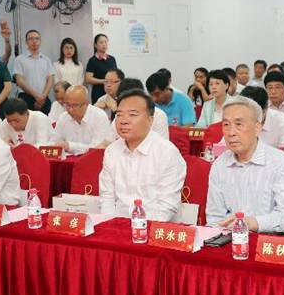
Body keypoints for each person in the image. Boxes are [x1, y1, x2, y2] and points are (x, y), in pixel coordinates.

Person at [205, 96, 284, 235]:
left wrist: (251, 223)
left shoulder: (280, 162)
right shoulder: (220, 164)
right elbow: (214, 218)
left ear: (257, 128)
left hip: (267, 242)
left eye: (239, 124)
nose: (231, 132)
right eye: (226, 125)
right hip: (230, 240)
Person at [99, 89, 186, 221]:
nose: (123, 121)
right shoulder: (112, 151)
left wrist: (138, 228)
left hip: (156, 228)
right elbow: (107, 197)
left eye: (132, 114)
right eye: (119, 114)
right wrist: (109, 225)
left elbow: (166, 207)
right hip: (118, 226)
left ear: (150, 120)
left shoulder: (167, 152)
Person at [53, 85, 113, 155]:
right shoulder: (63, 117)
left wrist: (70, 146)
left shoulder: (99, 116)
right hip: (68, 159)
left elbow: (97, 148)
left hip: (92, 159)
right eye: (67, 105)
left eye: (75, 105)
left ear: (86, 103)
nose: (70, 110)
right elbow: (55, 141)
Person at [10, 29, 56, 113]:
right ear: (26, 42)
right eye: (31, 39)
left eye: (37, 38)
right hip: (25, 98)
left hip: (44, 97)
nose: (34, 41)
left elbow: (50, 79)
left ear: (40, 41)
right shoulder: (19, 59)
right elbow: (19, 81)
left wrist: (43, 96)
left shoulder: (46, 59)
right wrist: (37, 96)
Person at [240, 86, 284, 155]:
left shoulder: (282, 121)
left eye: (254, 114)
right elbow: (227, 151)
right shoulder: (234, 119)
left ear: (266, 109)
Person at [84, 33, 117, 103]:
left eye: (105, 42)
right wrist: (104, 81)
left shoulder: (112, 59)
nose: (104, 44)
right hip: (98, 93)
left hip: (111, 92)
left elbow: (116, 74)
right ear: (95, 45)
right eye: (101, 42)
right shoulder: (92, 60)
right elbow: (88, 79)